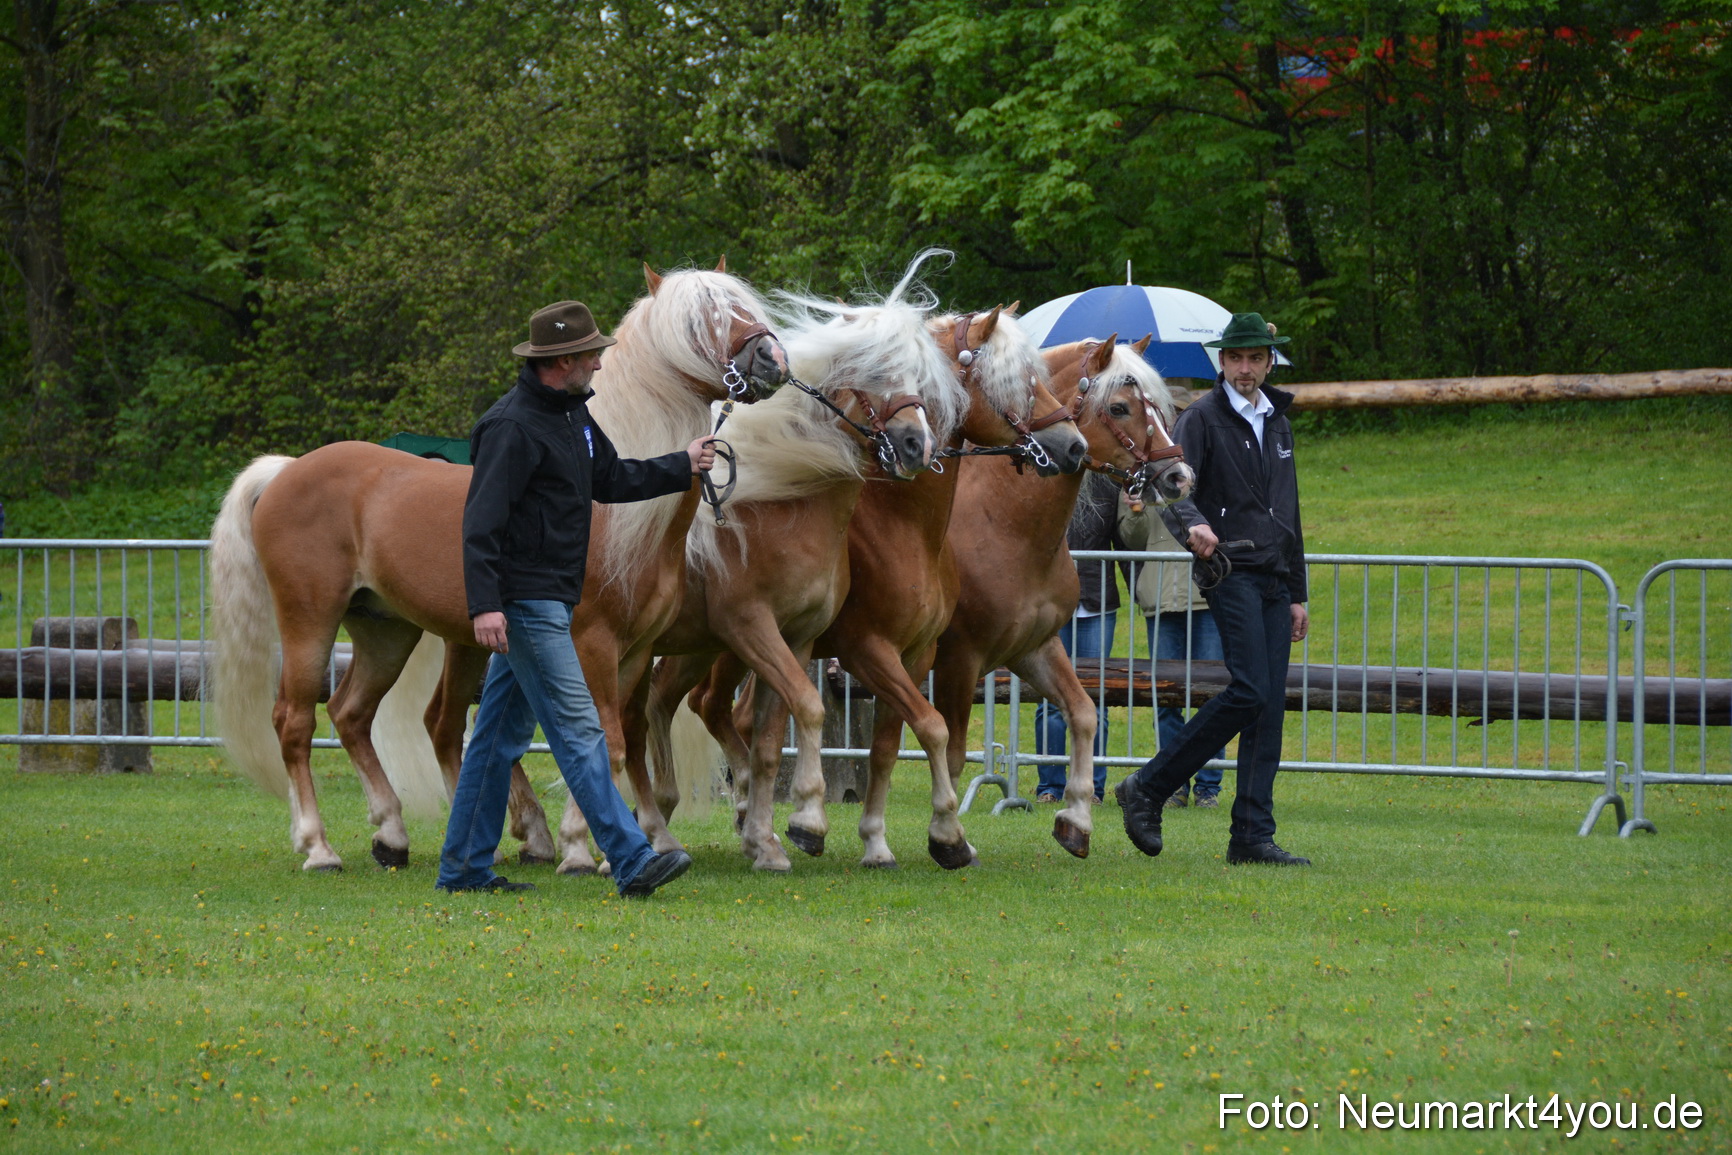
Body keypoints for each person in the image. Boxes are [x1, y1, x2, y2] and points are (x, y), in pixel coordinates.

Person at [437, 300, 717, 897]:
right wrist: (485, 605)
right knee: (580, 728)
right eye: (591, 352)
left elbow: (612, 481)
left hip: (552, 601)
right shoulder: (510, 426)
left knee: (494, 740)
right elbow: (480, 523)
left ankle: (462, 868)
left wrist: (682, 465)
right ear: (561, 361)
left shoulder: (575, 419)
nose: (599, 360)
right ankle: (633, 858)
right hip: (526, 603)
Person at [1113, 313, 1312, 866]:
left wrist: (1298, 592)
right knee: (1249, 691)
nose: (1245, 368)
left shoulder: (1278, 422)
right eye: (1235, 358)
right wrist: (1193, 524)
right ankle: (1149, 787)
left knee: (1267, 707)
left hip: (1275, 575)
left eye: (1254, 358)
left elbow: (1289, 511)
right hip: (1230, 569)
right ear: (1221, 362)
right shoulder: (1199, 418)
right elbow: (1171, 488)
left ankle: (1251, 834)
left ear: (1270, 361)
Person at [1117, 384, 1228, 809]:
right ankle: (1173, 783)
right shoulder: (1143, 473)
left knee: (1211, 693)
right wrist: (1134, 509)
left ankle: (1209, 787)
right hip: (1160, 599)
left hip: (1207, 594)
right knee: (1166, 696)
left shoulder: (1205, 468)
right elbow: (1131, 539)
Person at [1033, 472, 1132, 803]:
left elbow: (1123, 539)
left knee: (1095, 698)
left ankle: (1093, 785)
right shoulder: (1042, 477)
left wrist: (1142, 591)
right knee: (1049, 699)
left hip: (1096, 603)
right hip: (1048, 604)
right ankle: (1049, 785)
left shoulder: (1107, 484)